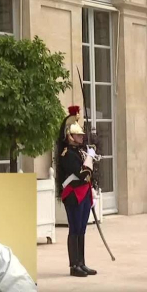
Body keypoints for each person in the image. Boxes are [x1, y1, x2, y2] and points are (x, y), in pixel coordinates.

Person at [55, 106, 98, 278]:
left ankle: (81, 262)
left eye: (81, 135)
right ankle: (74, 265)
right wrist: (90, 160)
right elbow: (81, 174)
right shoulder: (67, 154)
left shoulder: (79, 152)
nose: (81, 137)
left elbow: (88, 175)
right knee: (74, 229)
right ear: (70, 136)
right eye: (78, 135)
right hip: (73, 194)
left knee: (82, 229)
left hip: (84, 193)